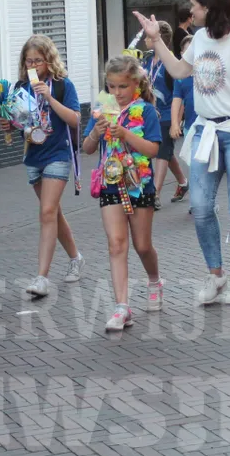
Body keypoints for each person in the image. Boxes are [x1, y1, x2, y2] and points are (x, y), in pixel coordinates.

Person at [134, 0, 230, 307]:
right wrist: (156, 40)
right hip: (205, 131)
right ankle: (216, 274)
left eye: (195, 5)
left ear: (210, 7)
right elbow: (179, 70)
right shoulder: (199, 38)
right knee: (199, 206)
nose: (191, 10)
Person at [82, 56, 163, 331]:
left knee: (142, 245)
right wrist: (95, 133)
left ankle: (154, 280)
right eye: (112, 86)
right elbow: (87, 148)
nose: (116, 93)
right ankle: (121, 307)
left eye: (122, 87)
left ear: (136, 84)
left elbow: (153, 150)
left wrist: (127, 134)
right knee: (116, 244)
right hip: (111, 182)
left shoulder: (146, 111)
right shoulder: (101, 110)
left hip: (138, 183)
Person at [11, 35, 86, 298]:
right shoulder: (21, 87)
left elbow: (75, 120)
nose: (33, 66)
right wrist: (8, 124)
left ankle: (41, 277)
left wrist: (50, 98)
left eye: (38, 61)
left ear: (49, 61)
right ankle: (76, 258)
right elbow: (18, 123)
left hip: (58, 153)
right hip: (33, 155)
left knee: (46, 212)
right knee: (52, 212)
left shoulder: (63, 85)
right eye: (29, 61)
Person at [141, 21, 188, 209]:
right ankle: (183, 182)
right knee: (166, 151)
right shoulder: (146, 60)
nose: (145, 40)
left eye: (148, 36)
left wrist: (177, 120)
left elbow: (179, 94)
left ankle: (155, 193)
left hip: (167, 114)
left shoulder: (171, 63)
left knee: (162, 151)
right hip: (150, 114)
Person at [170, 35, 197, 175]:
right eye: (188, 51)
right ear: (182, 54)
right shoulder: (180, 77)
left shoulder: (207, 72)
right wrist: (175, 123)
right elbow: (177, 100)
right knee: (193, 166)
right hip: (189, 127)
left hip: (209, 126)